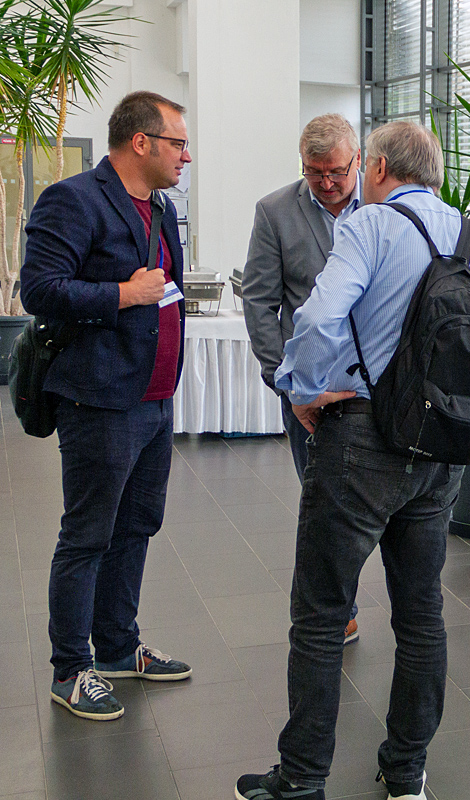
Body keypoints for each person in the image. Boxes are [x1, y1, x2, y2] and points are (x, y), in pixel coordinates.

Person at [235, 121, 470, 800]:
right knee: (420, 615)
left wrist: (301, 389)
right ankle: (407, 772)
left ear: (377, 167)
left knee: (322, 615)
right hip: (441, 452)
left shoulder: (370, 226)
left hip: (360, 444)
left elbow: (318, 319)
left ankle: (302, 778)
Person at [21, 90, 194, 721]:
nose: (186, 156)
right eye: (178, 143)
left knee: (137, 525)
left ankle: (118, 648)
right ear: (141, 142)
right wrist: (123, 293)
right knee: (88, 535)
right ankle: (71, 669)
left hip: (154, 398)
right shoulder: (73, 200)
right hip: (99, 398)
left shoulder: (161, 208)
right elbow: (39, 289)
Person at [243, 112, 363, 645]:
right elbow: (259, 302)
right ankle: (337, 610)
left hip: (377, 385)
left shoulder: (385, 208)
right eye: (315, 172)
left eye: (336, 171)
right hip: (309, 392)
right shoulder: (275, 212)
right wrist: (287, 384)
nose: (327, 183)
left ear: (358, 160)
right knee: (321, 504)